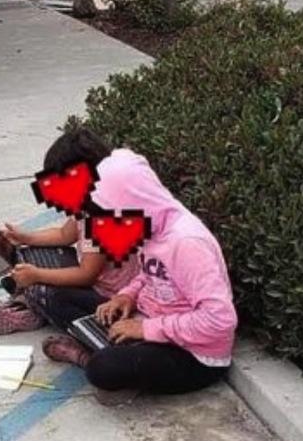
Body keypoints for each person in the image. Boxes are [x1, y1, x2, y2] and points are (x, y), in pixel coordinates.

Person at [41, 129, 239, 397]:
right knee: (58, 297)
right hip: (149, 319)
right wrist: (126, 296)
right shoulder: (150, 225)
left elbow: (220, 320)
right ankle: (108, 344)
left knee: (104, 369)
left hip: (192, 355)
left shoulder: (186, 242)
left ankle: (90, 357)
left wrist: (146, 329)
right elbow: (151, 274)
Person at [0, 130, 140, 335]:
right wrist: (25, 237)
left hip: (109, 297)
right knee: (27, 254)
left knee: (52, 295)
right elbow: (65, 235)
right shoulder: (88, 203)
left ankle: (32, 310)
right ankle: (28, 297)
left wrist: (38, 275)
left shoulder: (103, 218)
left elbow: (86, 275)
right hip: (92, 276)